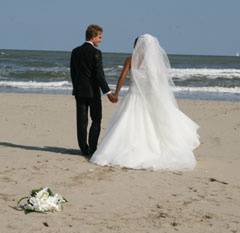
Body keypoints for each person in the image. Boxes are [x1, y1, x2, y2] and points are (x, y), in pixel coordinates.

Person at [90, 34, 200, 170]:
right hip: (148, 97)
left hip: (134, 97)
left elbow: (122, 77)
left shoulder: (130, 59)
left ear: (136, 46)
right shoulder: (152, 63)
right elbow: (157, 82)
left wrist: (116, 94)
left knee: (127, 123)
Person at [70, 24, 117, 157]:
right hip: (92, 92)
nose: (101, 40)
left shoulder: (75, 51)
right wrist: (108, 92)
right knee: (96, 119)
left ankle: (83, 148)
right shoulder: (96, 53)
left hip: (79, 91)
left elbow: (73, 73)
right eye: (100, 37)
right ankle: (92, 148)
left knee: (81, 120)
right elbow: (99, 75)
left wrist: (76, 88)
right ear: (93, 36)